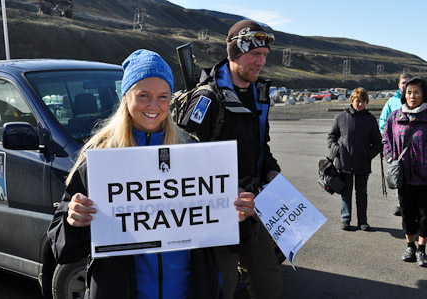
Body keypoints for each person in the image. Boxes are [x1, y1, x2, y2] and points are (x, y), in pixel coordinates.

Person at [47, 49, 257, 299]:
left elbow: (232, 242)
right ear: (126, 97)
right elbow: (63, 250)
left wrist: (239, 216)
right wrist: (74, 222)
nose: (154, 106)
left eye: (163, 96)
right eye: (143, 95)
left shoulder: (193, 153)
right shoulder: (100, 158)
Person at [179, 20, 282, 299]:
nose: (261, 62)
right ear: (235, 53)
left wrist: (272, 172)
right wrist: (226, 189)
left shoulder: (259, 94)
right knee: (220, 286)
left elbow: (262, 145)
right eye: (254, 55)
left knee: (268, 281)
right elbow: (186, 157)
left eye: (264, 55)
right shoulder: (208, 98)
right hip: (215, 212)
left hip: (254, 207)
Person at [383, 77, 427, 268]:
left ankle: (421, 250)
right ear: (404, 94)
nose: (412, 95)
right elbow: (385, 139)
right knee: (407, 213)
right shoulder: (395, 117)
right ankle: (410, 246)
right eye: (409, 92)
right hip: (404, 177)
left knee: (426, 215)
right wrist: (390, 157)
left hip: (426, 178)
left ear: (424, 94)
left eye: (416, 92)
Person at [327, 87, 382, 231]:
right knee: (346, 192)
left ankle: (362, 221)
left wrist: (368, 155)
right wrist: (336, 149)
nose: (360, 104)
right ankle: (345, 219)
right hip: (344, 163)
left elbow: (378, 142)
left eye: (363, 101)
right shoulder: (340, 117)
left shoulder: (370, 119)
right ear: (352, 100)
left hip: (362, 164)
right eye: (358, 101)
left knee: (361, 193)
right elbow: (331, 137)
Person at [379, 73, 414, 216]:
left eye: (409, 82)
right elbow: (383, 124)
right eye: (403, 82)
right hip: (397, 149)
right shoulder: (391, 103)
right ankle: (401, 204)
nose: (406, 85)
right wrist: (388, 146)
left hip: (416, 150)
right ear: (398, 85)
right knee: (398, 176)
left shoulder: (419, 100)